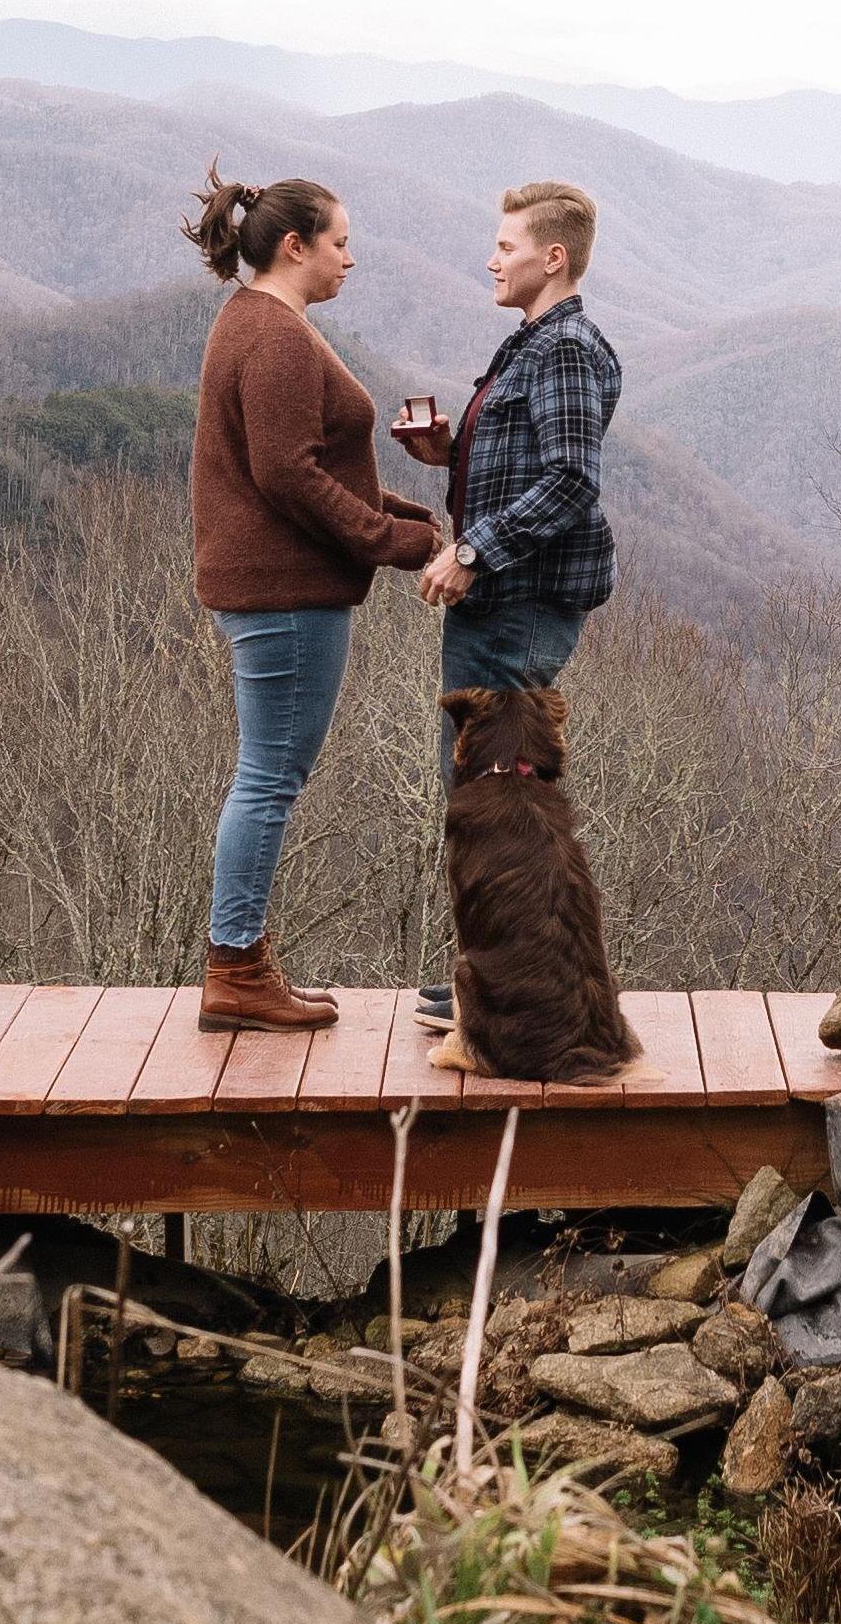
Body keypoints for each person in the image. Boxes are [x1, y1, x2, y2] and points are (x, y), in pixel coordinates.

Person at [184, 163, 438, 1031]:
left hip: (269, 586)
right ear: (296, 247)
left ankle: (241, 960)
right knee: (269, 778)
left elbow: (305, 463)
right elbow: (287, 475)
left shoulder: (252, 321)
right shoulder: (278, 337)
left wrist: (398, 512)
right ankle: (236, 967)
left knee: (266, 775)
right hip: (285, 594)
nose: (350, 260)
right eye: (341, 243)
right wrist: (390, 542)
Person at [392, 181, 620, 1025]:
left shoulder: (563, 349)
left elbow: (569, 480)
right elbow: (535, 463)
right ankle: (499, 979)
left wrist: (472, 549)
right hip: (506, 598)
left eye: (506, 245)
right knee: (495, 791)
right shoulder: (528, 344)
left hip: (517, 600)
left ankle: (512, 990)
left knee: (499, 796)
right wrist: (451, 451)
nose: (492, 259)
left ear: (552, 257)